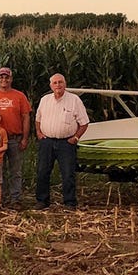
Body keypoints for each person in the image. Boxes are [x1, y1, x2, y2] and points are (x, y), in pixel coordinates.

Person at [33, 73, 89, 210]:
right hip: (47, 142)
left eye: (60, 82)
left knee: (68, 173)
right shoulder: (45, 100)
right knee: (42, 172)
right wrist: (39, 133)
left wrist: (75, 138)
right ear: (50, 85)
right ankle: (42, 201)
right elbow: (38, 119)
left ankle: (69, 202)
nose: (58, 85)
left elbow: (84, 123)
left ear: (65, 84)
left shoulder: (74, 100)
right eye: (55, 83)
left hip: (66, 143)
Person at [0, 67, 31, 207]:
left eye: (7, 77)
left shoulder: (20, 96)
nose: (4, 80)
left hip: (14, 138)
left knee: (15, 170)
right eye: (1, 77)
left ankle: (15, 199)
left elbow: (26, 117)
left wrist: (25, 138)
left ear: (11, 79)